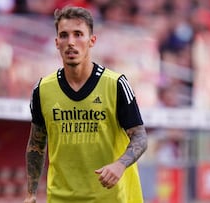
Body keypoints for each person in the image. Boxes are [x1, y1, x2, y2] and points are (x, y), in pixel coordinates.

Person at [23, 6, 148, 203]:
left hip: (110, 198)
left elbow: (140, 136)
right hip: (61, 198)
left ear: (92, 41)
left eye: (78, 34)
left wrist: (119, 165)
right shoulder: (42, 90)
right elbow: (36, 145)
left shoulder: (115, 84)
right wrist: (30, 193)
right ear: (56, 43)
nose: (71, 42)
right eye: (64, 35)